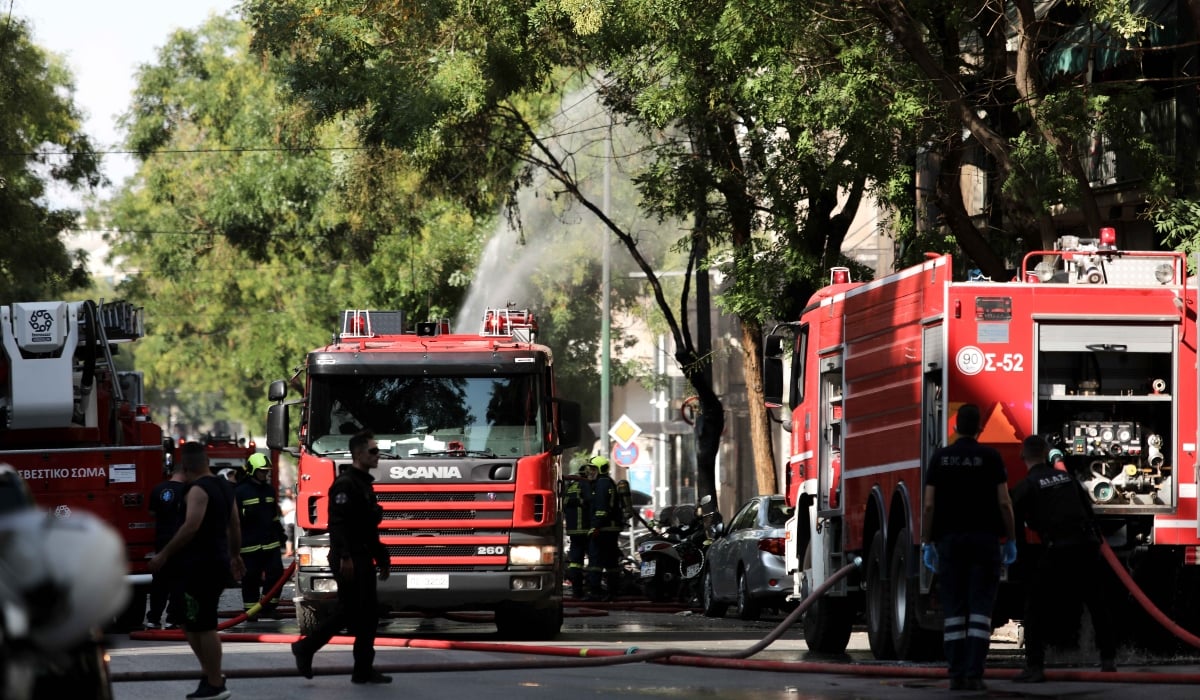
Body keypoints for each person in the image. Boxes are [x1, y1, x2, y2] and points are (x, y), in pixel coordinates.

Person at [921, 403, 1016, 692]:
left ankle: (956, 674)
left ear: (954, 427)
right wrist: (1010, 539)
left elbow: (928, 504)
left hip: (950, 542)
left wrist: (927, 543)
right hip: (985, 542)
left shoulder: (941, 457)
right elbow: (1003, 501)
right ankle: (975, 673)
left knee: (954, 609)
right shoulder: (991, 457)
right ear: (980, 428)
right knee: (979, 611)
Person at [1010, 435, 1118, 682]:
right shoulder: (1069, 479)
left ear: (1022, 456)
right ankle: (1109, 660)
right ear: (1047, 454)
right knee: (1097, 602)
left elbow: (1013, 523)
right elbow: (1090, 514)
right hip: (1087, 546)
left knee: (1034, 606)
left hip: (1058, 548)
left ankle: (1035, 667)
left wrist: (1021, 558)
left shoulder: (1027, 486)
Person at [291, 430, 392, 684]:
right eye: (373, 451)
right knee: (349, 612)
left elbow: (368, 529)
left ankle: (363, 670)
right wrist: (345, 556)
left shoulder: (363, 484)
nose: (378, 455)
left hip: (362, 556)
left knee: (369, 615)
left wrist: (382, 557)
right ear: (358, 454)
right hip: (348, 558)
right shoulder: (345, 484)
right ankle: (305, 648)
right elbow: (338, 525)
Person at [149, 441, 245, 700]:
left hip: (199, 566)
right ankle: (210, 675)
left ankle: (215, 683)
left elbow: (190, 526)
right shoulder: (225, 487)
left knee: (203, 625)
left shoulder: (197, 489)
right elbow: (235, 524)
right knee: (187, 619)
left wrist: (163, 554)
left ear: (187, 466)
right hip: (214, 563)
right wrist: (235, 555)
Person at [236, 452, 285, 618]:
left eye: (267, 471)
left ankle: (269, 606)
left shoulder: (269, 490)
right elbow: (233, 521)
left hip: (270, 543)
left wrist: (281, 534)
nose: (265, 474)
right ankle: (251, 612)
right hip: (249, 545)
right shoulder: (240, 492)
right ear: (252, 470)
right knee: (250, 580)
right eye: (262, 471)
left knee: (277, 573)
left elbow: (274, 516)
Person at [146, 457, 187, 630]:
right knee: (179, 582)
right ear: (185, 472)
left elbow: (151, 513)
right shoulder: (188, 491)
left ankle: (153, 618)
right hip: (180, 542)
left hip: (161, 542)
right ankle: (173, 618)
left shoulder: (158, 489)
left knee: (160, 582)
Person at [587, 455, 624, 602]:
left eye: (593, 468)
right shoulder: (608, 482)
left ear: (600, 469)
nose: (590, 471)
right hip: (610, 528)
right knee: (611, 562)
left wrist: (595, 526)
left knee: (596, 561)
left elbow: (601, 509)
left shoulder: (602, 483)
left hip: (604, 528)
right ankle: (613, 591)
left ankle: (595, 591)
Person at [562, 460, 594, 598]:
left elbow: (564, 503)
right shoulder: (585, 484)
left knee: (575, 562)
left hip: (573, 529)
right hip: (585, 529)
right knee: (593, 560)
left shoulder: (571, 485)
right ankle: (592, 590)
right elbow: (590, 502)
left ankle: (577, 591)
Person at [280, 485, 297, 558]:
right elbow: (283, 512)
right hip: (288, 522)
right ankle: (288, 551)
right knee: (288, 537)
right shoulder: (285, 502)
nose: (289, 494)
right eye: (287, 493)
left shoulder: (295, 501)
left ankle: (293, 551)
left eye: (290, 493)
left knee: (295, 537)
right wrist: (291, 509)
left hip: (295, 522)